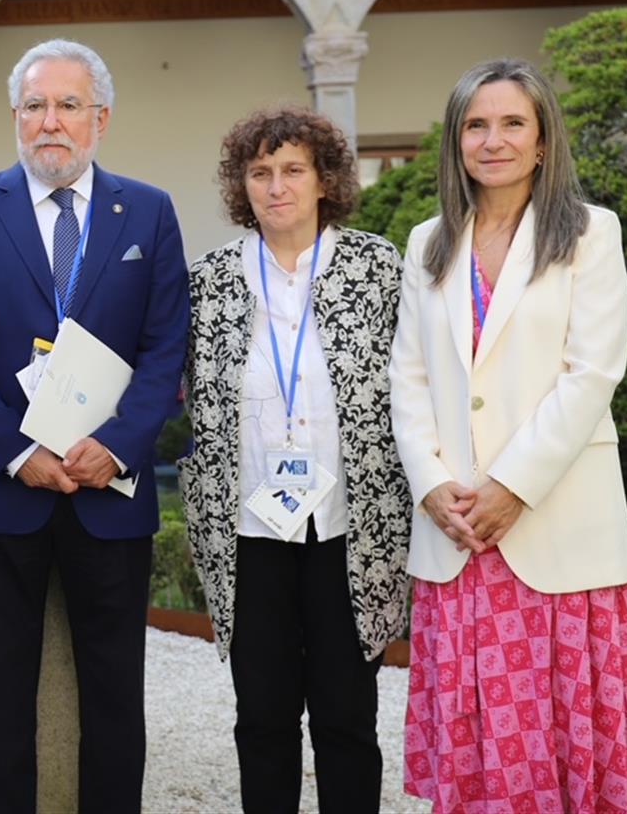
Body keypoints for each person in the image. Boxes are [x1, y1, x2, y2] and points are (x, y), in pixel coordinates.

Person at [0, 38, 189, 814]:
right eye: (35, 106)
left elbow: (165, 344)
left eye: (68, 105)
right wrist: (16, 452)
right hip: (2, 494)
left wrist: (115, 446)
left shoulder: (147, 210)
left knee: (114, 699)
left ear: (100, 117)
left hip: (108, 491)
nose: (51, 122)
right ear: (15, 117)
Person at [391, 58, 627, 813]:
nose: (493, 140)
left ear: (543, 142)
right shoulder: (428, 243)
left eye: (513, 123)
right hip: (459, 533)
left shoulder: (588, 233)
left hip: (557, 523)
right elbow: (407, 379)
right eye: (476, 125)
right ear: (456, 142)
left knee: (570, 747)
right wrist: (432, 483)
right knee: (479, 754)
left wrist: (510, 487)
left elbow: (593, 372)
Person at [181, 106, 412, 813]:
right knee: (263, 718)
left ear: (324, 180)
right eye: (260, 172)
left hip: (351, 527)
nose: (275, 186)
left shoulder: (378, 267)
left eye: (291, 170)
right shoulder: (209, 280)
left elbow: (417, 383)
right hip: (248, 532)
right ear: (241, 185)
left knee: (347, 717)